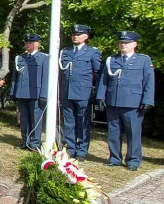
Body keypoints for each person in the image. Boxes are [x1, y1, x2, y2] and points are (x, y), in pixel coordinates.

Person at [96, 31, 155, 171]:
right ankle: (114, 158)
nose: (123, 45)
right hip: (113, 102)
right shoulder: (112, 59)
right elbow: (104, 80)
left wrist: (148, 100)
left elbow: (149, 82)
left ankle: (133, 161)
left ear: (135, 44)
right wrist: (100, 97)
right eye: (121, 42)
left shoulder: (143, 60)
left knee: (133, 133)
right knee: (113, 133)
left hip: (133, 103)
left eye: (127, 43)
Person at [58, 24, 102, 161]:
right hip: (66, 92)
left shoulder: (92, 52)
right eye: (73, 34)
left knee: (83, 123)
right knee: (69, 122)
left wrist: (98, 94)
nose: (75, 36)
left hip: (83, 93)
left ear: (86, 36)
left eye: (78, 34)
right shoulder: (65, 52)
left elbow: (98, 73)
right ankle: (71, 149)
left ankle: (82, 151)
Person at [11, 34, 49, 151]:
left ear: (38, 44)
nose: (28, 44)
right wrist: (13, 92)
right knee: (24, 119)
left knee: (36, 119)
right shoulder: (20, 58)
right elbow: (15, 77)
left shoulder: (44, 58)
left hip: (36, 94)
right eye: (27, 42)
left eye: (31, 43)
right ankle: (25, 141)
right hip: (22, 93)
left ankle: (35, 143)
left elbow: (46, 78)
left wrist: (43, 95)